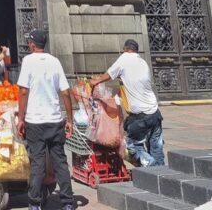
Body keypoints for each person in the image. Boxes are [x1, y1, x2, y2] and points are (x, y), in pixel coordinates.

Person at [16, 28, 75, 210]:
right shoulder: (55, 61)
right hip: (55, 121)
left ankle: (35, 203)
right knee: (60, 162)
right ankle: (67, 202)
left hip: (35, 122)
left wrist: (21, 118)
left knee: (38, 163)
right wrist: (70, 120)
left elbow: (24, 90)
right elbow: (65, 92)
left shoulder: (28, 61)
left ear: (32, 44)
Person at [90, 38, 164, 167]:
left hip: (140, 118)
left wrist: (95, 82)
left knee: (132, 148)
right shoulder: (142, 62)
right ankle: (163, 174)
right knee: (156, 146)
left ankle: (151, 165)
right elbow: (135, 83)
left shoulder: (125, 58)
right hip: (155, 113)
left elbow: (109, 74)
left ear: (125, 49)